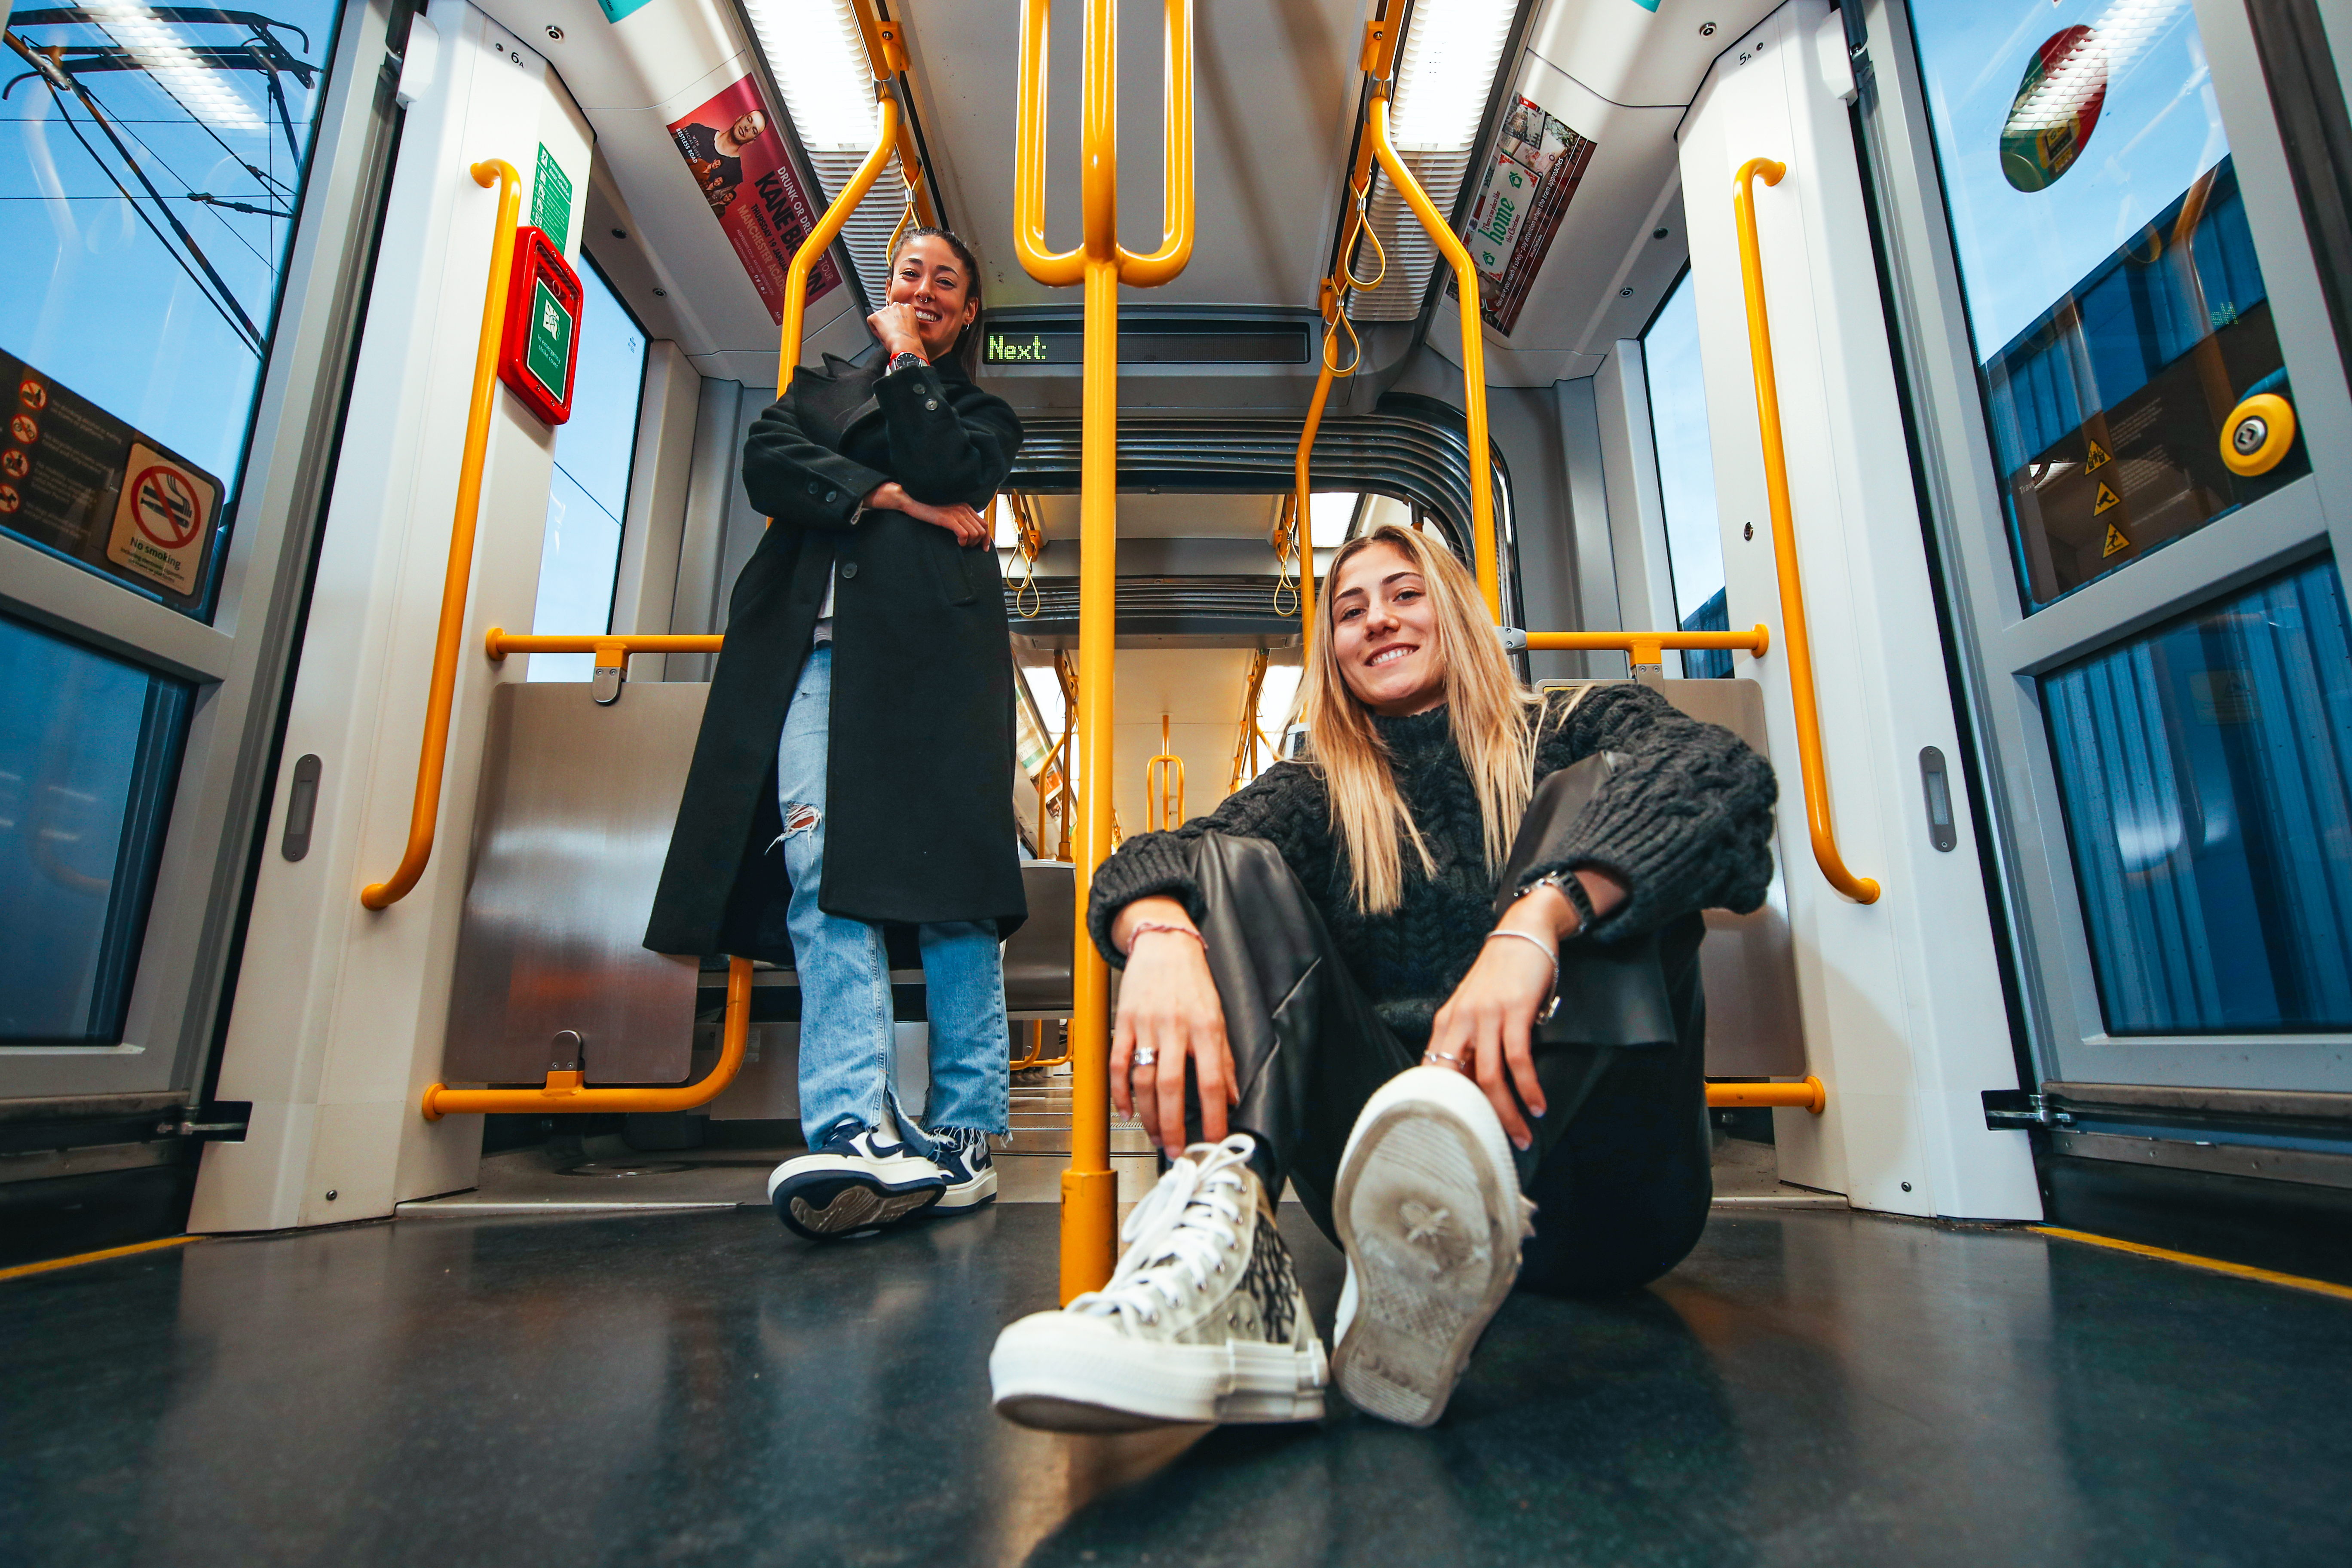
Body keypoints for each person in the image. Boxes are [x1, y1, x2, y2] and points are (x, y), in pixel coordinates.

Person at [988, 522, 1777, 1430]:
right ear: (1332, 652)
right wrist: (1164, 935)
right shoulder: (1323, 791)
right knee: (1228, 867)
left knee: (1611, 802)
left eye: (1405, 595)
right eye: (1350, 610)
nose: (1378, 622)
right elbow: (1164, 853)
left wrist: (1538, 919)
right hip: (1399, 1214)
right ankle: (1239, 1272)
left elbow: (1722, 781)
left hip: (1602, 1195)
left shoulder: (1572, 727)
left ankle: (1456, 1189)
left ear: (1454, 612)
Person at [644, 229, 1026, 1240]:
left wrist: (906, 362)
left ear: (967, 314)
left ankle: (965, 1129)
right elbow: (771, 465)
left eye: (948, 280)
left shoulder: (981, 410)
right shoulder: (812, 393)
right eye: (910, 274)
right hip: (816, 660)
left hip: (934, 670)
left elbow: (954, 465)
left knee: (957, 889)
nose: (925, 288)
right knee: (819, 870)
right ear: (882, 285)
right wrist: (891, 497)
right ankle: (855, 1122)